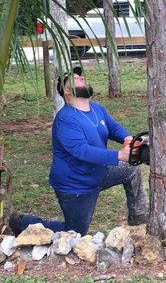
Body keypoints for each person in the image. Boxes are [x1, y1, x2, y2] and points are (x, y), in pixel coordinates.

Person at [9, 67, 148, 236]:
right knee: (74, 233)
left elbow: (112, 127)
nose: (81, 78)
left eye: (81, 75)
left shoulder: (97, 109)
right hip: (75, 185)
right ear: (67, 90)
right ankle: (23, 223)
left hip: (99, 173)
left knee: (131, 169)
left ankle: (138, 217)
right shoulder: (66, 118)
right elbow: (82, 151)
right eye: (75, 78)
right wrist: (119, 155)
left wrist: (128, 138)